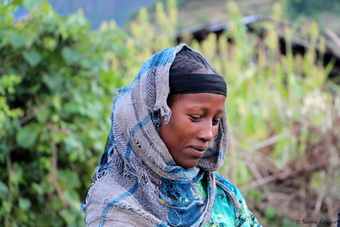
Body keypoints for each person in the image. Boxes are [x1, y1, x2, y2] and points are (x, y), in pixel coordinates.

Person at [82, 44, 262, 227]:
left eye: (216, 121)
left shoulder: (222, 195)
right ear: (155, 114)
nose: (208, 134)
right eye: (196, 117)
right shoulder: (115, 204)